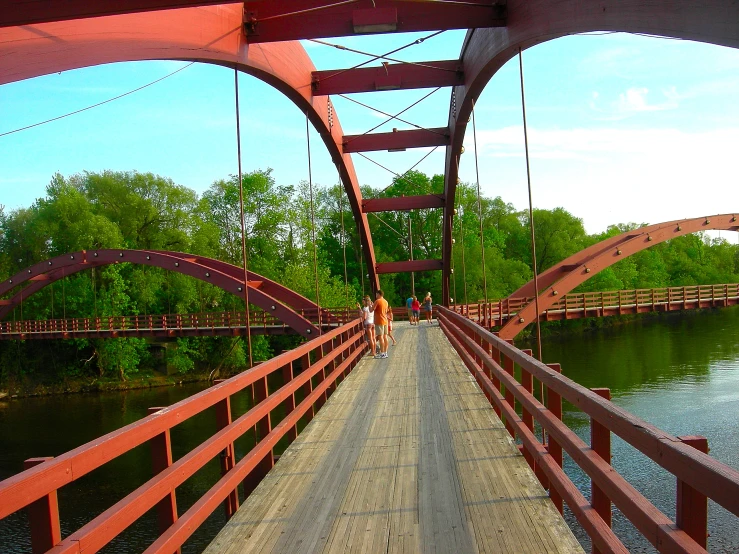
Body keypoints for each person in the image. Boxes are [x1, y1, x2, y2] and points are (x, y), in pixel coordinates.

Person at [372, 289, 390, 358]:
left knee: (380, 337)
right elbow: (386, 311)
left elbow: (371, 310)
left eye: (376, 294)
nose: (376, 295)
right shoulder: (386, 301)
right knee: (385, 336)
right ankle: (385, 352)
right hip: (385, 320)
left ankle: (382, 353)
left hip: (379, 321)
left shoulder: (377, 301)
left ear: (378, 294)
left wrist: (370, 305)